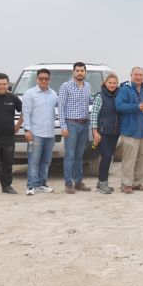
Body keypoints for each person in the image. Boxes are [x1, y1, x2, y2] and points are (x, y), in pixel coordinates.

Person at [115, 67, 143, 194]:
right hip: (130, 130)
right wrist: (136, 107)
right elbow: (119, 106)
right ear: (131, 75)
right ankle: (126, 185)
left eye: (141, 75)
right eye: (136, 74)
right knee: (129, 159)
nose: (138, 77)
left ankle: (137, 183)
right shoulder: (125, 89)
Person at [58, 62, 94, 194]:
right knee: (70, 156)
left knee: (79, 155)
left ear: (85, 72)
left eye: (82, 71)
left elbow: (89, 100)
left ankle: (78, 182)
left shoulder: (88, 86)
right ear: (73, 72)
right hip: (71, 125)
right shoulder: (65, 86)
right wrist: (63, 127)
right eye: (77, 70)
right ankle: (68, 184)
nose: (80, 73)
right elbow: (60, 108)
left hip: (84, 125)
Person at [21, 68, 58, 195]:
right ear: (37, 79)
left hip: (50, 134)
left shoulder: (53, 94)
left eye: (46, 79)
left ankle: (42, 184)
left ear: (49, 79)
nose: (43, 80)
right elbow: (26, 113)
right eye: (41, 78)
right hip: (35, 133)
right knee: (33, 160)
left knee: (46, 161)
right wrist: (27, 130)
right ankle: (31, 186)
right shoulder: (29, 94)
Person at [90, 72, 121, 195]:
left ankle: (102, 183)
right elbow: (94, 114)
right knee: (106, 156)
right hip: (102, 133)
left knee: (109, 157)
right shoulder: (100, 96)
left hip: (115, 132)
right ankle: (102, 183)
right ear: (105, 83)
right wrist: (95, 132)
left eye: (114, 83)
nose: (112, 85)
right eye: (110, 83)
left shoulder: (118, 95)